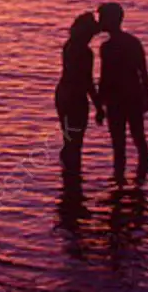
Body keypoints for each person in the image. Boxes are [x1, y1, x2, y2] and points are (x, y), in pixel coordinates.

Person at [95, 2, 148, 184]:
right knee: (137, 139)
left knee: (121, 144)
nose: (100, 22)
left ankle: (123, 183)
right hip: (127, 97)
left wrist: (99, 104)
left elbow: (105, 77)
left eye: (102, 18)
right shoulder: (132, 42)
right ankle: (138, 182)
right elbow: (143, 73)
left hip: (119, 99)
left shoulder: (108, 47)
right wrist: (146, 96)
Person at [55, 12, 102, 174]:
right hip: (75, 98)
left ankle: (68, 178)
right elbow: (87, 81)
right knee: (76, 141)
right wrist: (99, 107)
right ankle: (73, 176)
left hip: (62, 94)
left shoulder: (68, 45)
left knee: (68, 138)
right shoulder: (84, 52)